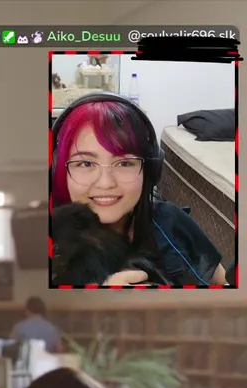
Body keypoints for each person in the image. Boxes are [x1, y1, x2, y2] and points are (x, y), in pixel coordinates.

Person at [51, 93, 227, 286]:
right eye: (85, 163)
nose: (105, 183)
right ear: (58, 170)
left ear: (150, 169)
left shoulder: (172, 222)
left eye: (124, 163)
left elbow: (223, 284)